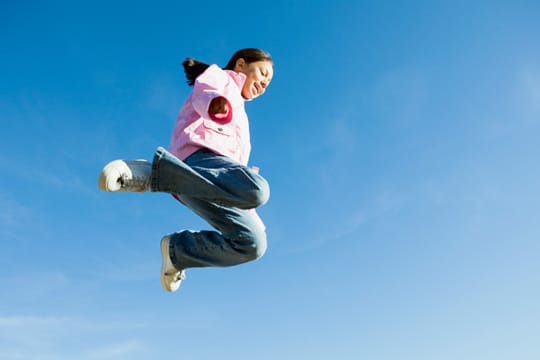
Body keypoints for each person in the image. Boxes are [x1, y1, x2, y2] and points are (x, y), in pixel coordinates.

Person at [98, 48, 274, 293]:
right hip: (197, 157)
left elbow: (231, 174)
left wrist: (248, 208)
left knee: (254, 244)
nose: (265, 84)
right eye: (264, 73)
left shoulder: (242, 116)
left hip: (203, 184)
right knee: (259, 190)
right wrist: (216, 105)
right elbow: (205, 93)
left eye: (268, 83)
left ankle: (178, 251)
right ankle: (154, 175)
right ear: (241, 64)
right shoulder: (219, 78)